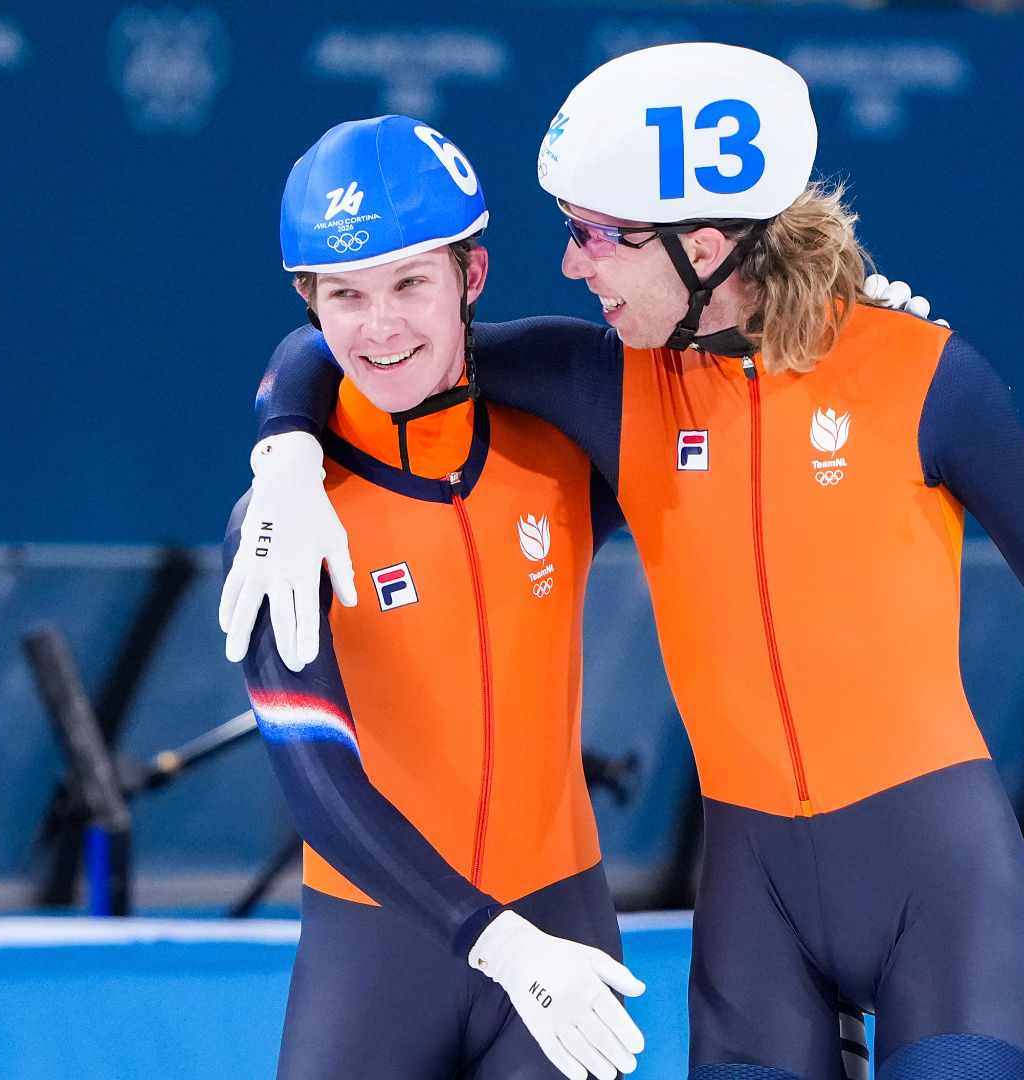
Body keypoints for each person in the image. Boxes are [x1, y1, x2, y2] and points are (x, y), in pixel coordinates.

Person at [225, 43, 1024, 1080]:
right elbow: (372, 342)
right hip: (753, 904)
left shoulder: (926, 377)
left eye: (596, 235)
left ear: (702, 243)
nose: (572, 261)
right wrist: (285, 443)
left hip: (938, 885)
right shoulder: (613, 384)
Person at [232, 114, 646, 1080]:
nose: (381, 327)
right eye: (347, 295)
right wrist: (497, 941)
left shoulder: (561, 448)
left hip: (564, 921)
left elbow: (727, 393)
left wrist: (845, 324)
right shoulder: (285, 519)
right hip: (381, 954)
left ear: (474, 277)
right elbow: (319, 786)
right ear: (312, 307)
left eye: (411, 282)